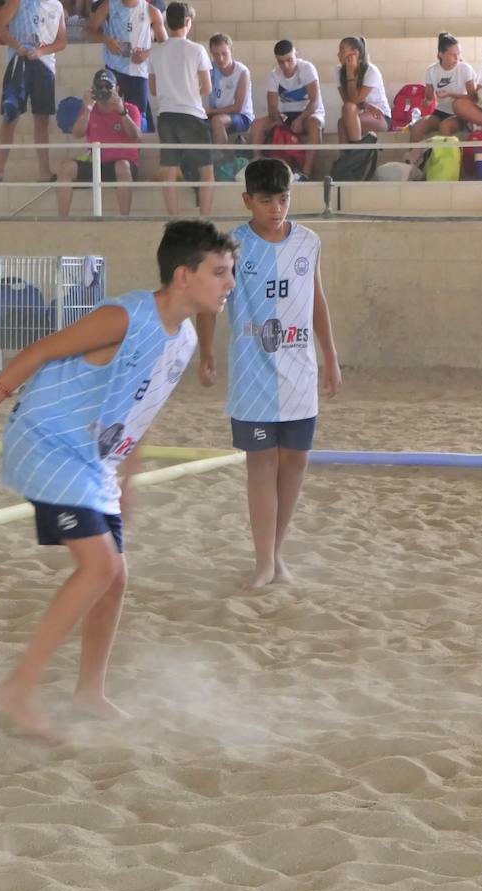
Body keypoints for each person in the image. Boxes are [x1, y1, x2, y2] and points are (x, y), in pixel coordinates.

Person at [0, 220, 238, 742]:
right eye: (220, 271)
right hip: (48, 440)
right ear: (183, 275)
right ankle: (18, 688)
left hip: (94, 459)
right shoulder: (125, 315)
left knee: (115, 577)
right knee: (99, 567)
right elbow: (39, 352)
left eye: (230, 272)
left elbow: (140, 408)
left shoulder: (185, 338)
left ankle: (89, 694)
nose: (230, 282)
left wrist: (129, 479)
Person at [194, 159, 341, 590]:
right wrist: (206, 351)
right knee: (262, 462)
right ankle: (262, 562)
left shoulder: (309, 241)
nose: (276, 208)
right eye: (266, 200)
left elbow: (316, 298)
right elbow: (209, 303)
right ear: (247, 200)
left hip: (299, 371)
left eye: (283, 199)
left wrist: (331, 356)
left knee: (295, 461)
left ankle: (276, 554)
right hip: (253, 375)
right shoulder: (231, 247)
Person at [0, 0, 66, 183]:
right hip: (19, 62)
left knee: (42, 119)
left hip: (45, 66)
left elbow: (61, 42)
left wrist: (41, 51)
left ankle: (45, 172)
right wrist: (19, 47)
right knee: (10, 114)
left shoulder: (57, 6)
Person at [148, 0, 212, 215]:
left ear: (166, 23)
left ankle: (173, 220)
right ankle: (204, 219)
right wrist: (189, 90)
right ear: (188, 22)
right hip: (192, 114)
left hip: (166, 116)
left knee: (169, 172)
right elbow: (207, 87)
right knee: (207, 172)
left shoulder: (156, 51)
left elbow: (153, 89)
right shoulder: (197, 50)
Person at [56, 68, 141, 216]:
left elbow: (136, 137)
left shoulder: (130, 109)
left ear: (117, 89)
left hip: (123, 164)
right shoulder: (89, 110)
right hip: (96, 163)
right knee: (66, 167)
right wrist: (87, 109)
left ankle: (125, 219)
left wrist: (122, 111)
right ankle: (62, 219)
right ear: (93, 89)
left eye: (108, 87)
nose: (104, 91)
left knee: (122, 166)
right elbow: (77, 134)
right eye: (99, 87)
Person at [84, 0, 167, 133]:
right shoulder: (109, 5)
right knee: (110, 114)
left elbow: (165, 45)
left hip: (138, 74)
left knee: (138, 120)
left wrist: (146, 54)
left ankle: (136, 146)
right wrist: (107, 40)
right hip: (112, 71)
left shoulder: (151, 11)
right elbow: (87, 31)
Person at [249, 39, 325, 180]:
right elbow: (272, 107)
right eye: (281, 62)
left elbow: (315, 101)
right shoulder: (274, 74)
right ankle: (257, 167)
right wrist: (280, 123)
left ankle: (305, 174)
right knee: (257, 124)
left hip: (309, 113)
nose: (286, 65)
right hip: (286, 115)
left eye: (289, 60)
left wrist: (301, 119)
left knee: (315, 123)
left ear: (296, 55)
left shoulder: (307, 69)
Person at [409, 31, 475, 141]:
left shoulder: (465, 69)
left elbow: (473, 97)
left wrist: (450, 94)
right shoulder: (431, 71)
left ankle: (451, 153)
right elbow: (429, 98)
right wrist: (427, 101)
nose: (457, 58)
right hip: (440, 112)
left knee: (444, 126)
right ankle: (414, 152)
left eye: (459, 54)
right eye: (453, 55)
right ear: (441, 54)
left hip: (460, 113)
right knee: (418, 126)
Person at [206, 32, 253, 168]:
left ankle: (224, 163)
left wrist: (210, 111)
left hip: (241, 116)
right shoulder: (209, 69)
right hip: (216, 113)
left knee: (217, 121)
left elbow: (238, 107)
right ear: (211, 53)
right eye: (216, 54)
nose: (220, 58)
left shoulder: (242, 72)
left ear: (231, 51)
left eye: (224, 53)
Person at [336, 35, 390, 146]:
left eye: (342, 50)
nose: (338, 54)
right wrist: (366, 105)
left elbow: (354, 100)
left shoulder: (371, 71)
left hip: (380, 116)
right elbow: (348, 101)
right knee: (342, 120)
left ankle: (356, 152)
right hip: (358, 112)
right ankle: (350, 155)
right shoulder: (338, 71)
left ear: (355, 53)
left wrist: (350, 73)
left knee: (343, 122)